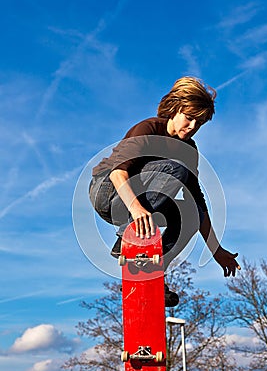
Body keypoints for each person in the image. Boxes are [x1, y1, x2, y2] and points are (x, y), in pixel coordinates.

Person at [89, 76, 240, 306]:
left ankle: (152, 273)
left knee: (191, 211)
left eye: (198, 124)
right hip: (108, 191)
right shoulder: (148, 128)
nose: (192, 128)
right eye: (189, 119)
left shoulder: (189, 150)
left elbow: (198, 201)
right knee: (175, 168)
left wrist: (215, 249)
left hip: (142, 200)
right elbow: (117, 173)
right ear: (175, 109)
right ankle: (129, 244)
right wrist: (136, 210)